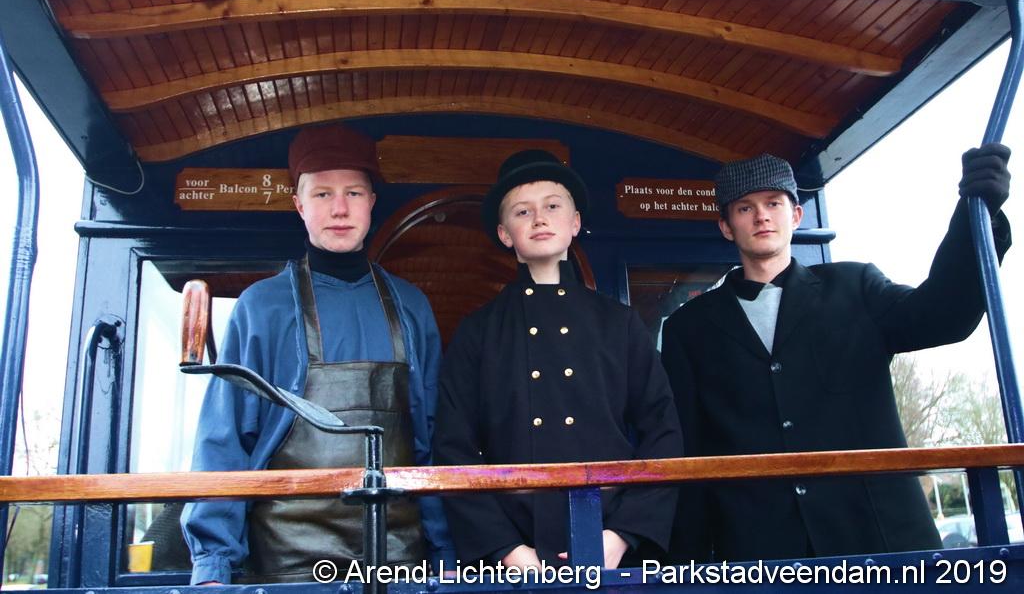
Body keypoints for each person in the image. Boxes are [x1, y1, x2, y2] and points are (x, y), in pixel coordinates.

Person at [661, 146, 1012, 562]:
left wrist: (976, 216)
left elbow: (942, 316)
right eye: (744, 208)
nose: (761, 216)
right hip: (759, 556)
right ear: (726, 226)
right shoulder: (688, 328)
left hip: (878, 542)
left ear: (796, 215)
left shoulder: (856, 286)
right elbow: (689, 450)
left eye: (773, 203)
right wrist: (687, 565)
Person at [181, 123, 452, 584]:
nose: (339, 208)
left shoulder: (412, 306)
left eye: (353, 193)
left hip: (400, 560)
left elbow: (431, 442)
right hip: (288, 566)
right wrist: (213, 565)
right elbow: (224, 440)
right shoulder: (261, 307)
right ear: (299, 205)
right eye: (323, 194)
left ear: (371, 202)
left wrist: (447, 554)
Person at [433, 150, 684, 569]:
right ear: (505, 233)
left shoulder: (619, 323)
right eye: (522, 211)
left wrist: (623, 535)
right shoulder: (477, 331)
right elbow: (452, 447)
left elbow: (664, 432)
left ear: (575, 223)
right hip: (513, 554)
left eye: (552, 206)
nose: (539, 219)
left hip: (611, 544)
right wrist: (505, 549)